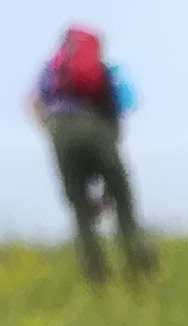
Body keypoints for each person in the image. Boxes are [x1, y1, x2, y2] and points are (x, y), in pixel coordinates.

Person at [25, 27, 153, 284]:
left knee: (81, 210)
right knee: (124, 202)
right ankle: (140, 271)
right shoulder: (105, 73)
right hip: (99, 132)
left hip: (60, 132)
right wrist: (108, 188)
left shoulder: (51, 70)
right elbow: (121, 111)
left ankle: (97, 279)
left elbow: (33, 103)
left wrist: (52, 131)